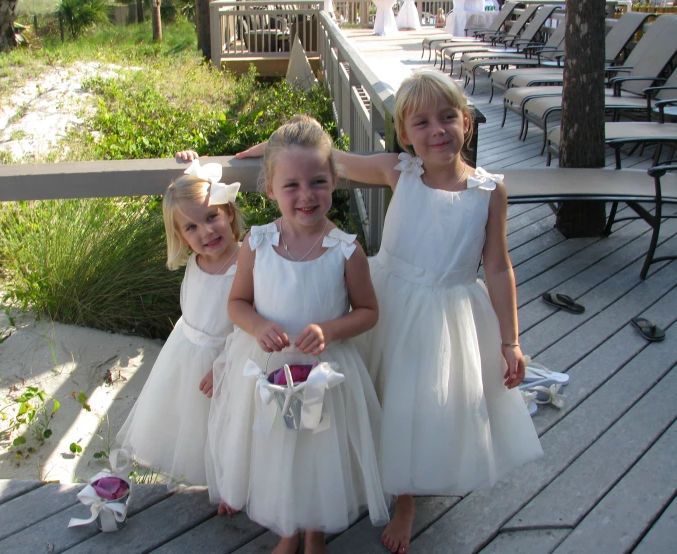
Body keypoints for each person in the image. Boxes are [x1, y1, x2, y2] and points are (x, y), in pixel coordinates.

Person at [237, 71, 543, 553]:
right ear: (405, 135)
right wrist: (271, 147)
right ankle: (359, 476)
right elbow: (326, 158)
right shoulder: (399, 170)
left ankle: (406, 498)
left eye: (447, 118)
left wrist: (511, 341)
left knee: (418, 403)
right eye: (420, 123)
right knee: (371, 392)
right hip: (390, 297)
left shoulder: (488, 191)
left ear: (467, 121)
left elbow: (499, 267)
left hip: (448, 310)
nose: (436, 130)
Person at [207, 116, 389, 554]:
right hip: (269, 369)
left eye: (318, 182)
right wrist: (257, 325)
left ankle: (315, 533)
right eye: (291, 185)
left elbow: (368, 312)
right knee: (279, 452)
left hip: (327, 373)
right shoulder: (257, 243)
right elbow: (236, 304)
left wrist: (330, 328)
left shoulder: (346, 249)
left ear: (334, 183)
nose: (306, 195)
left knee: (319, 454)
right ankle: (289, 530)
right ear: (270, 188)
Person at [116, 151, 244, 509]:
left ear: (229, 212)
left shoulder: (248, 262)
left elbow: (251, 322)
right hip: (185, 354)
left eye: (212, 217)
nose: (205, 231)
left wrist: (226, 366)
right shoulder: (195, 262)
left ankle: (231, 488)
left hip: (226, 360)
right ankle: (214, 482)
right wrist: (191, 158)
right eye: (191, 227)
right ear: (180, 236)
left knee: (230, 428)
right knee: (197, 428)